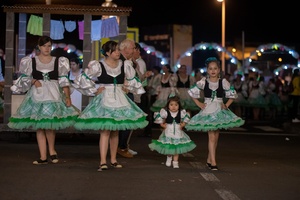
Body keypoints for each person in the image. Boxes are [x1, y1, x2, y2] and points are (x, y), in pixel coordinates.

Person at [72, 40, 148, 171]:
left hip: (119, 99)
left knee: (115, 131)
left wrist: (127, 88)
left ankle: (113, 159)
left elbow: (132, 80)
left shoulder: (125, 65)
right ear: (108, 53)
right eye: (115, 50)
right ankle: (102, 161)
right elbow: (82, 79)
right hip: (105, 99)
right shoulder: (99, 65)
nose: (118, 52)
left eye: (119, 50)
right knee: (105, 131)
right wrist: (94, 90)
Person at [8, 35, 79, 165]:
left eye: (48, 46)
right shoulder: (31, 61)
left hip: (53, 95)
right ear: (39, 47)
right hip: (37, 95)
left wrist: (68, 97)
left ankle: (52, 151)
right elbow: (24, 78)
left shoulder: (59, 61)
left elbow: (64, 81)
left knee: (50, 125)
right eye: (44, 46)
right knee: (40, 126)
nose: (47, 48)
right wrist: (33, 80)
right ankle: (43, 156)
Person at [185, 57, 245, 171]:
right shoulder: (204, 81)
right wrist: (199, 103)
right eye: (210, 68)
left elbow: (232, 95)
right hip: (208, 110)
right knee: (211, 137)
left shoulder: (223, 82)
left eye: (215, 68)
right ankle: (213, 162)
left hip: (219, 110)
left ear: (219, 70)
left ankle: (209, 159)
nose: (213, 71)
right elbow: (192, 92)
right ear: (207, 70)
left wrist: (226, 104)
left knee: (216, 137)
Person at [149, 96, 196, 168]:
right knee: (169, 146)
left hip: (178, 132)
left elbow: (186, 117)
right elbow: (159, 116)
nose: (174, 107)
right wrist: (162, 124)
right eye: (171, 105)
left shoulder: (181, 113)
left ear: (179, 106)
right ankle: (169, 157)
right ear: (168, 106)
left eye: (176, 105)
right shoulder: (165, 112)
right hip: (168, 132)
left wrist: (183, 124)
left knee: (176, 147)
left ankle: (175, 162)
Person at [117, 38, 138, 158]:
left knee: (126, 121)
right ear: (125, 49)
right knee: (127, 120)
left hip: (127, 92)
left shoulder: (127, 61)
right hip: (124, 93)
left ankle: (122, 145)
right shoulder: (122, 61)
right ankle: (121, 146)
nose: (134, 50)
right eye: (132, 47)